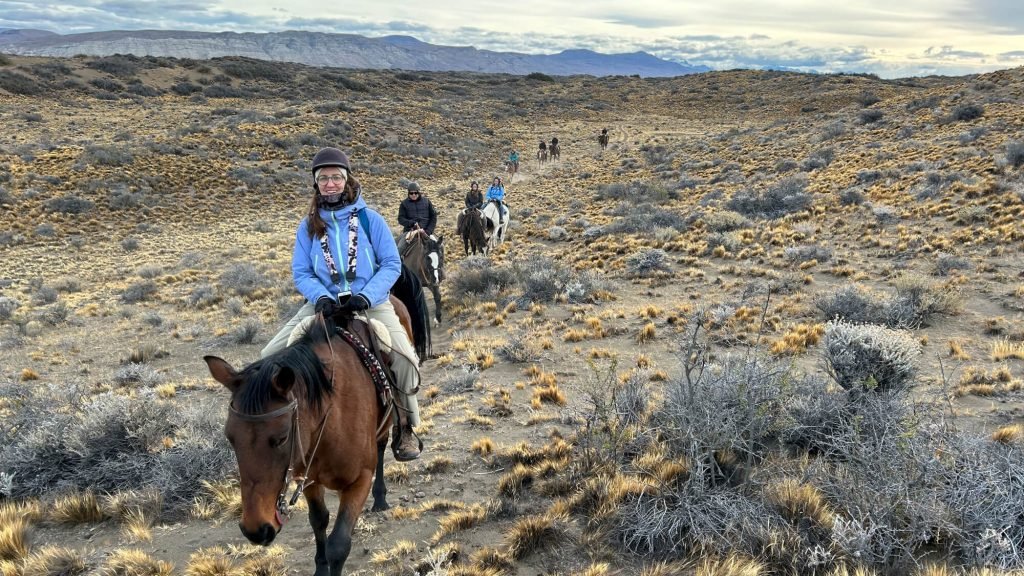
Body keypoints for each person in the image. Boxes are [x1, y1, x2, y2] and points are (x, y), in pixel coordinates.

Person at [260, 147, 422, 461]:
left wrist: (368, 295)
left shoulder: (369, 219)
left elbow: (390, 264)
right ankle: (277, 433)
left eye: (336, 177)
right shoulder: (307, 225)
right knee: (268, 358)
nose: (331, 183)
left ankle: (405, 425)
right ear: (316, 184)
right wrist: (320, 297)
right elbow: (301, 271)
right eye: (324, 179)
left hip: (370, 303)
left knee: (404, 360)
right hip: (323, 306)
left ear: (347, 180)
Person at [396, 181, 437, 255]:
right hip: (410, 232)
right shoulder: (404, 204)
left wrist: (428, 230)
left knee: (439, 246)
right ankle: (399, 265)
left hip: (426, 231)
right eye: (411, 193)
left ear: (419, 192)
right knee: (399, 248)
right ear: (408, 193)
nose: (414, 195)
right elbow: (400, 219)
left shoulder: (427, 201)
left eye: (416, 193)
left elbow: (433, 216)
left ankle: (440, 266)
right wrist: (410, 223)